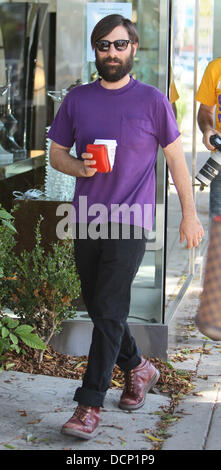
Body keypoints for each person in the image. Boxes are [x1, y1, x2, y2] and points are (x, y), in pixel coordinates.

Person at [48, 14, 204, 440]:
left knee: (109, 308)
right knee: (101, 309)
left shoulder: (153, 101)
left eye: (119, 45)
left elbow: (176, 161)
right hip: (86, 219)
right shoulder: (77, 100)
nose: (111, 53)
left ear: (133, 48)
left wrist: (189, 215)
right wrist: (77, 165)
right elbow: (56, 154)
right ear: (95, 51)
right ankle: (139, 366)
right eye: (103, 46)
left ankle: (89, 403)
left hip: (132, 222)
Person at [196, 57, 221, 217]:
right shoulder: (216, 68)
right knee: (218, 236)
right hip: (220, 162)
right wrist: (208, 129)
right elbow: (205, 111)